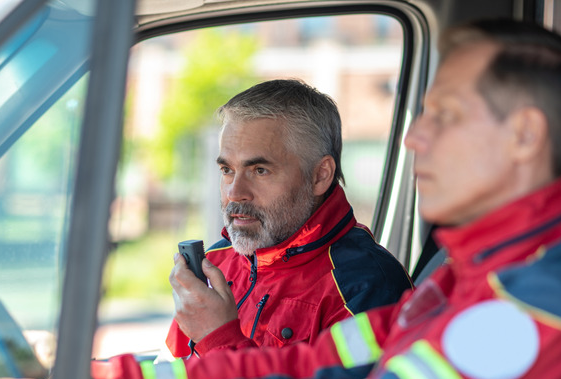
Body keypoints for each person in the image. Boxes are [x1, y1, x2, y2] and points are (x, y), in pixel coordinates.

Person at [0, 18, 561, 379]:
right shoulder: (472, 279)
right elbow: (308, 368)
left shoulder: (541, 298)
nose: (413, 137)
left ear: (524, 136)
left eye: (447, 116)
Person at [165, 79, 412, 358]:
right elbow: (172, 373)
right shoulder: (217, 263)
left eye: (260, 170)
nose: (235, 193)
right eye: (226, 169)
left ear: (320, 175)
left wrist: (219, 339)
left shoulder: (367, 286)